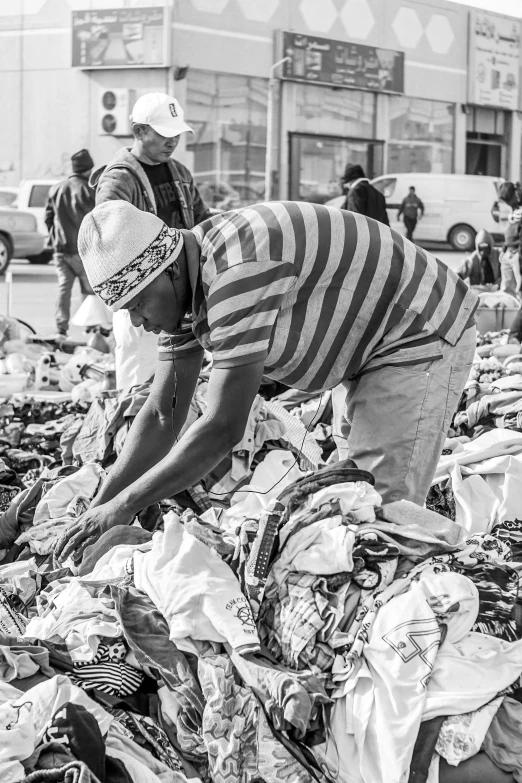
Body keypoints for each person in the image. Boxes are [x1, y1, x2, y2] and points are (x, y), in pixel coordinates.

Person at [55, 199, 478, 563]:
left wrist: (127, 503)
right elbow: (164, 413)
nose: (138, 322)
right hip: (373, 346)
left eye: (138, 304)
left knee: (380, 514)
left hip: (418, 330)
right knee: (353, 501)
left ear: (169, 272)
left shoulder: (233, 274)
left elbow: (223, 427)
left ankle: (456, 597)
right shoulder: (190, 277)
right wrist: (103, 503)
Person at [91, 92, 212, 392]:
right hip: (142, 297)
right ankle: (132, 430)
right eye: (164, 134)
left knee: (175, 380)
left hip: (177, 291)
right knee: (139, 377)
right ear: (139, 131)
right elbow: (107, 242)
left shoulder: (180, 173)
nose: (173, 142)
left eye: (177, 135)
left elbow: (201, 220)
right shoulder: (119, 180)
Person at [44, 149, 95, 338]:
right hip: (83, 249)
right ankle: (91, 327)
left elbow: (48, 218)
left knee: (64, 288)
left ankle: (61, 328)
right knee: (89, 290)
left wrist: (55, 238)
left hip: (60, 249)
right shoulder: (90, 190)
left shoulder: (56, 188)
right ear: (89, 169)